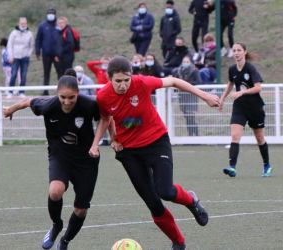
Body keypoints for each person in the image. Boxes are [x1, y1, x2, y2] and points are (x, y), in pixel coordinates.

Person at [89, 56, 220, 250]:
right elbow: (106, 117)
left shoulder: (142, 82)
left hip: (156, 142)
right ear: (109, 78)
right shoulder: (103, 96)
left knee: (165, 191)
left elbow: (174, 81)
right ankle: (179, 242)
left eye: (127, 80)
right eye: (118, 81)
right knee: (153, 203)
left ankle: (191, 200)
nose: (123, 85)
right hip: (129, 151)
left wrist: (205, 96)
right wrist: (102, 142)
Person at [3, 74, 101, 250]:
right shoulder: (48, 105)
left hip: (87, 160)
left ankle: (65, 241)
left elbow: (107, 118)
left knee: (81, 209)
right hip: (60, 156)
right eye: (62, 97)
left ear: (78, 93)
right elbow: (28, 101)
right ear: (57, 94)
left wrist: (104, 142)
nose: (67, 101)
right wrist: (11, 109)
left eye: (71, 97)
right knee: (55, 192)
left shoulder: (89, 104)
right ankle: (57, 225)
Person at [218, 43, 272, 178]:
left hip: (255, 108)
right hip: (239, 107)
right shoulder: (232, 69)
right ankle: (232, 167)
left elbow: (258, 87)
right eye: (234, 50)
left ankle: (267, 164)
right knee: (235, 136)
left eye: (239, 50)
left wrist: (242, 93)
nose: (236, 53)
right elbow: (230, 84)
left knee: (259, 138)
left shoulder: (250, 68)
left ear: (244, 52)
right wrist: (222, 98)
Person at [35, 8, 62, 96]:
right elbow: (38, 39)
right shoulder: (42, 26)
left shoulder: (59, 25)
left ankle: (61, 90)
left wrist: (60, 52)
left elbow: (62, 39)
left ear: (55, 14)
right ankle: (45, 91)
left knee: (60, 72)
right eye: (49, 13)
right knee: (46, 73)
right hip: (46, 54)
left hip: (57, 55)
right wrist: (37, 51)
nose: (50, 15)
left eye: (52, 14)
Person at [173, 56, 201, 136]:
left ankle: (195, 134)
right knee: (187, 117)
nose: (185, 63)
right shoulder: (178, 71)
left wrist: (186, 84)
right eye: (184, 61)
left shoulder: (195, 71)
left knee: (191, 116)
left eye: (187, 61)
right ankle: (190, 135)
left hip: (191, 96)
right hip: (182, 96)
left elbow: (198, 82)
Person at [8, 17, 34, 97]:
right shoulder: (14, 33)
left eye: (25, 23)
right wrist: (11, 56)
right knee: (14, 74)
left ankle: (21, 92)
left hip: (25, 58)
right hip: (15, 57)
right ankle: (10, 92)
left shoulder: (29, 33)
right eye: (22, 23)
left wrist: (28, 54)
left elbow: (31, 45)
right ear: (19, 23)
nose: (23, 25)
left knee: (24, 75)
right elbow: (10, 45)